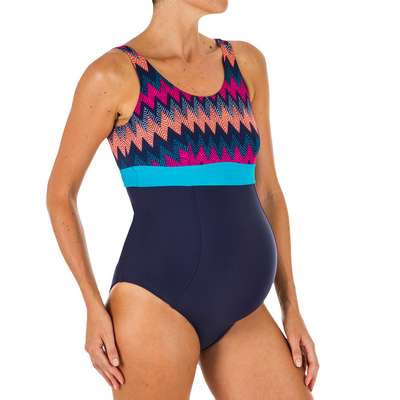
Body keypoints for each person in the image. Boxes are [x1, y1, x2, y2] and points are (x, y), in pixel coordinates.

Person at [46, 0, 319, 398]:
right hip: (156, 301)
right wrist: (91, 305)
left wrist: (291, 307)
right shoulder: (114, 75)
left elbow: (269, 192)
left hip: (243, 306)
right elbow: (60, 193)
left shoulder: (245, 64)